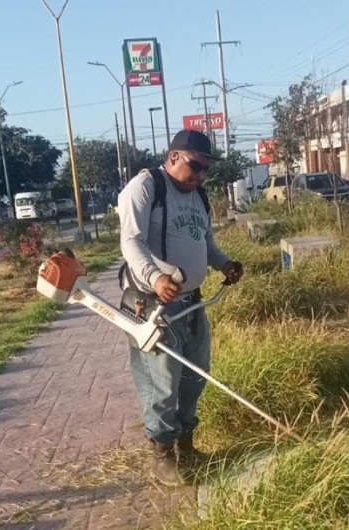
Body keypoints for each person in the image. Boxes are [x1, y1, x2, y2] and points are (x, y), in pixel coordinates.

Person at [116, 129, 243, 486]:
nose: (200, 175)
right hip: (152, 305)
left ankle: (186, 446)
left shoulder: (197, 196)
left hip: (191, 302)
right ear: (173, 157)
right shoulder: (145, 188)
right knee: (163, 383)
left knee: (195, 375)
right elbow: (131, 241)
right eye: (195, 166)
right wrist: (156, 277)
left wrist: (223, 264)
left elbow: (206, 243)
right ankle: (162, 455)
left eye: (205, 169)